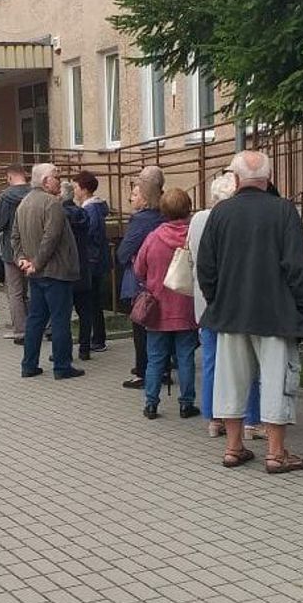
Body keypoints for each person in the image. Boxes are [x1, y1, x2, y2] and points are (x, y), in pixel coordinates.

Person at [197, 151, 303, 472]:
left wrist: (217, 299)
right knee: (277, 381)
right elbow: (298, 268)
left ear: (234, 179)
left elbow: (205, 268)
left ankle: (233, 448)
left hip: (230, 313)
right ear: (269, 177)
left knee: (230, 381)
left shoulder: (220, 214)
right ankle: (276, 454)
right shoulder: (283, 211)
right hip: (276, 314)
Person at [190, 173, 264, 440]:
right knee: (247, 363)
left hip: (204, 302)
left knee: (211, 361)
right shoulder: (235, 221)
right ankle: (251, 420)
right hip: (233, 304)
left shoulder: (198, 219)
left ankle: (214, 419)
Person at [12, 163, 83, 380]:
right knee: (60, 320)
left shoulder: (23, 204)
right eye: (56, 177)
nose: (60, 180)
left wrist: (21, 259)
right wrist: (37, 262)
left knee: (35, 320)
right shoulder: (52, 204)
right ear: (45, 181)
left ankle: (29, 364)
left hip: (36, 274)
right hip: (55, 271)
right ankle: (62, 366)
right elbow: (50, 238)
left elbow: (14, 237)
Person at [134, 188, 201, 419]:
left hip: (158, 307)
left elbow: (138, 269)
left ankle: (151, 403)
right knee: (185, 358)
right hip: (186, 307)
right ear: (188, 208)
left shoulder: (153, 237)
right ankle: (186, 403)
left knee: (155, 358)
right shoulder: (193, 237)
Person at [118, 167, 167, 389]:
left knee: (141, 325)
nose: (131, 197)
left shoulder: (140, 221)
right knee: (162, 327)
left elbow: (123, 252)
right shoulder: (166, 213)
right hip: (164, 279)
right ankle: (162, 368)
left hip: (141, 281)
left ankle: (143, 371)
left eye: (136, 193)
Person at [0, 164, 32, 342]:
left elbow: (0, 225)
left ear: (9, 177)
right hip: (33, 248)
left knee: (15, 292)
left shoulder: (6, 197)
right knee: (32, 290)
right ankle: (36, 325)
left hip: (11, 249)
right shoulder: (34, 193)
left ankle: (20, 330)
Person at [75, 170, 110, 358]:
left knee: (93, 302)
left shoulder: (90, 209)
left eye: (77, 187)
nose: (75, 190)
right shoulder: (95, 207)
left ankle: (98, 339)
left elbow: (91, 234)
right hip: (97, 259)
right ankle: (98, 337)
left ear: (84, 189)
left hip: (92, 261)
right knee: (95, 301)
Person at [60, 181, 93, 360]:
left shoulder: (59, 215)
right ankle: (85, 349)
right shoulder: (83, 214)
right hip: (83, 267)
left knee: (63, 313)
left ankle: (63, 351)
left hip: (65, 269)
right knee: (85, 312)